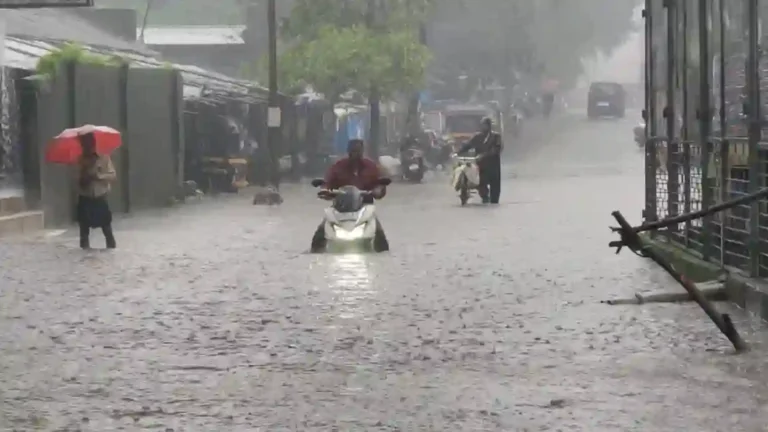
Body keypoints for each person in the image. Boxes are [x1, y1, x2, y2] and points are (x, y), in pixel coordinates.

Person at [311, 139, 389, 252]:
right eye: (353, 151)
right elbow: (328, 182)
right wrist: (324, 190)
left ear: (362, 151)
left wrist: (379, 190)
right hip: (340, 207)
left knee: (379, 232)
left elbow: (379, 184)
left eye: (358, 151)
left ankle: (383, 253)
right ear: (348, 151)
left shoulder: (371, 167)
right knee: (321, 230)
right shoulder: (338, 167)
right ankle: (314, 252)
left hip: (364, 207)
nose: (355, 154)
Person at [76, 132, 117, 249]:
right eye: (84, 143)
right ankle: (84, 255)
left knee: (107, 231)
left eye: (89, 142)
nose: (87, 146)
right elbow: (75, 180)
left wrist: (99, 176)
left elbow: (113, 175)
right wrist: (84, 176)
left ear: (93, 142)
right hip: (85, 199)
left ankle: (111, 252)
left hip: (100, 197)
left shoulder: (104, 157)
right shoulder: (80, 160)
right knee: (84, 233)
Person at [457, 117, 503, 204]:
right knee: (480, 181)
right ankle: (485, 197)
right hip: (481, 165)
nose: (484, 127)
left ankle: (494, 201)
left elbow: (497, 149)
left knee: (495, 186)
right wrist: (458, 152)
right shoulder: (477, 137)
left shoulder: (496, 137)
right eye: (482, 125)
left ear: (489, 126)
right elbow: (468, 145)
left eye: (485, 125)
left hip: (493, 165)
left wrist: (484, 155)